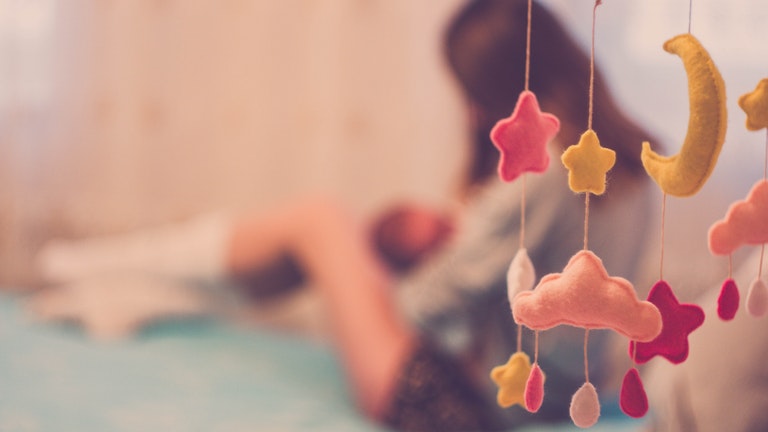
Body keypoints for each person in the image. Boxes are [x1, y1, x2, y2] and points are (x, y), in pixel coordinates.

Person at [33, 1, 661, 430]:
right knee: (328, 237)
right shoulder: (626, 155)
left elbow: (421, 308)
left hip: (466, 405)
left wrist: (390, 265)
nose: (470, 116)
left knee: (320, 222)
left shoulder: (546, 168)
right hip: (546, 402)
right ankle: (137, 289)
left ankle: (108, 270)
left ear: (501, 86)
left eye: (472, 97)